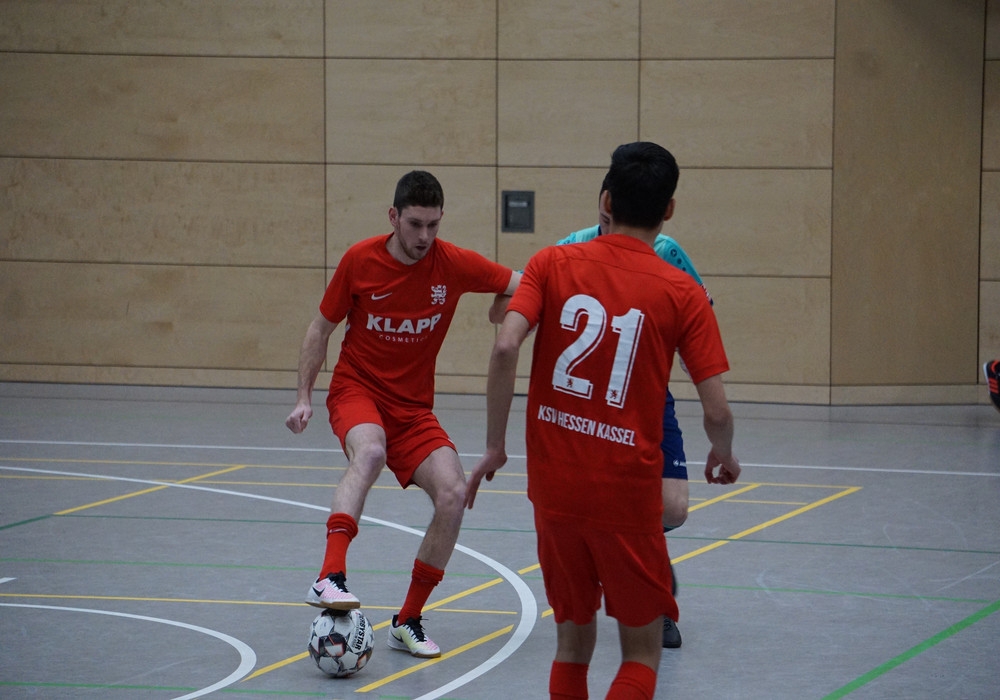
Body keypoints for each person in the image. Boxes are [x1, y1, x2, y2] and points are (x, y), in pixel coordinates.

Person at [466, 142, 741, 700]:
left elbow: (504, 345)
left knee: (571, 647)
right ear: (668, 210)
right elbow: (716, 409)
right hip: (626, 491)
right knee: (641, 654)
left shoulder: (549, 262)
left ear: (606, 201)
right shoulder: (681, 290)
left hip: (554, 489)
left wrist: (495, 444)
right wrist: (724, 452)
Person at [286, 170, 520, 659]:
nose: (424, 236)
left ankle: (407, 620)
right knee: (370, 452)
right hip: (357, 390)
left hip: (412, 409)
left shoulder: (453, 264)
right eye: (415, 224)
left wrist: (503, 311)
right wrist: (304, 395)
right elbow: (320, 329)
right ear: (393, 217)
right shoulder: (360, 260)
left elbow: (523, 285)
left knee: (453, 494)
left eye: (433, 225)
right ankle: (329, 576)